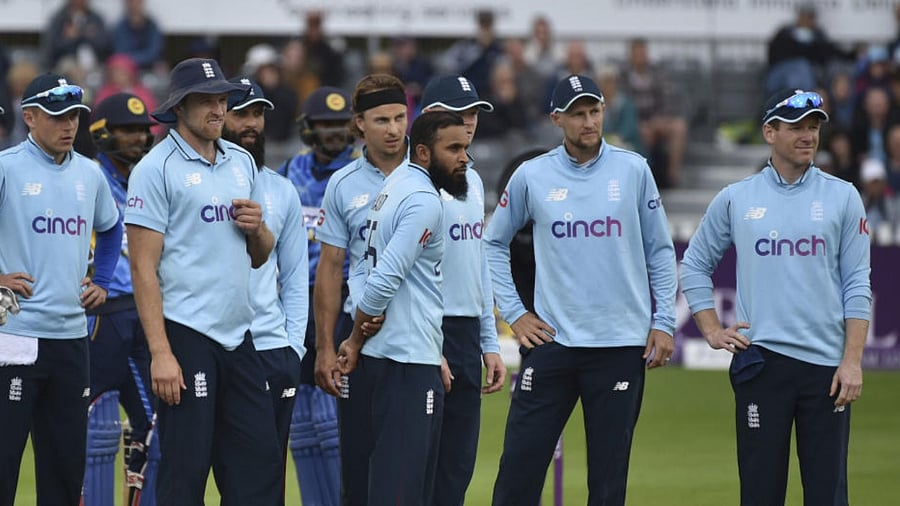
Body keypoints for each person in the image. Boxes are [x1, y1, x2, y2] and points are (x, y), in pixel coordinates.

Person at [486, 74, 677, 505]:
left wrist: (664, 321)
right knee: (517, 476)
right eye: (577, 114)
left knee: (607, 485)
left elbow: (660, 251)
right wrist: (515, 314)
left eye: (594, 111)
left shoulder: (634, 169)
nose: (589, 122)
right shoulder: (532, 175)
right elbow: (492, 243)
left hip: (619, 346)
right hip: (552, 343)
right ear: (557, 119)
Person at [680, 89, 871, 505]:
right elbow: (693, 265)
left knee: (828, 495)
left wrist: (852, 361)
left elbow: (858, 284)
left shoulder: (843, 196)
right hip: (762, 364)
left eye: (814, 127)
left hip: (826, 369)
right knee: (760, 493)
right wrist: (711, 330)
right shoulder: (737, 197)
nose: (808, 136)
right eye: (797, 127)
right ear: (769, 132)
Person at [123, 58, 282, 505]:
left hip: (239, 336)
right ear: (179, 106)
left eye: (223, 99)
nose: (218, 109)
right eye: (206, 101)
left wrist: (259, 229)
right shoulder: (155, 169)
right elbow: (142, 268)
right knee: (186, 472)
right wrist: (160, 353)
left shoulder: (242, 162)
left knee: (260, 466)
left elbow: (260, 256)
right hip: (186, 335)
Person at [337, 110, 471, 505]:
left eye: (465, 148)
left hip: (385, 359)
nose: (464, 158)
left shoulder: (391, 187)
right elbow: (383, 280)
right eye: (454, 149)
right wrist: (355, 338)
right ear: (424, 152)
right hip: (408, 364)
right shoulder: (424, 200)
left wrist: (359, 336)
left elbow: (359, 266)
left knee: (378, 488)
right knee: (402, 492)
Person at [0, 73, 122, 505]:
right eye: (57, 116)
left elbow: (112, 229)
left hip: (72, 339)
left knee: (66, 471)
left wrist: (102, 281)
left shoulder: (90, 174)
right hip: (15, 337)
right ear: (30, 117)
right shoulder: (7, 167)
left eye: (74, 116)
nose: (68, 125)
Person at [312, 73, 408, 506]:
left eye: (400, 117)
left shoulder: (428, 174)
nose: (393, 129)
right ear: (360, 124)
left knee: (414, 470)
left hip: (417, 337)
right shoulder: (343, 183)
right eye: (382, 120)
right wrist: (324, 347)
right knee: (358, 469)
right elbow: (330, 268)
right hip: (359, 341)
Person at [418, 74, 506, 505]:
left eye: (473, 112)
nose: (469, 121)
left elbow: (477, 264)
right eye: (459, 112)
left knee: (456, 470)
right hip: (425, 330)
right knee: (419, 469)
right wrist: (428, 345)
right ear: (431, 117)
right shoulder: (412, 182)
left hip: (467, 333)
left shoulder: (471, 180)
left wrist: (489, 342)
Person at [221, 76, 309, 505]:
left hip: (271, 351)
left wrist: (293, 349)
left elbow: (295, 278)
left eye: (257, 114)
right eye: (241, 113)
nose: (252, 123)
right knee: (196, 469)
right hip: (212, 346)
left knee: (265, 483)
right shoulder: (194, 183)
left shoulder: (281, 190)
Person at [277, 84, 358, 505]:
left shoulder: (363, 173)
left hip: (342, 298)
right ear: (308, 127)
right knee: (302, 417)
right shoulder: (289, 172)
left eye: (340, 124)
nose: (334, 133)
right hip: (294, 299)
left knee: (331, 413)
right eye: (325, 124)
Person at [85, 91, 159, 504]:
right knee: (96, 428)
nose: (136, 139)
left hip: (143, 313)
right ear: (102, 133)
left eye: (141, 131)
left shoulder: (148, 181)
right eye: (126, 131)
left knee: (154, 430)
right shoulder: (88, 177)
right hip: (100, 314)